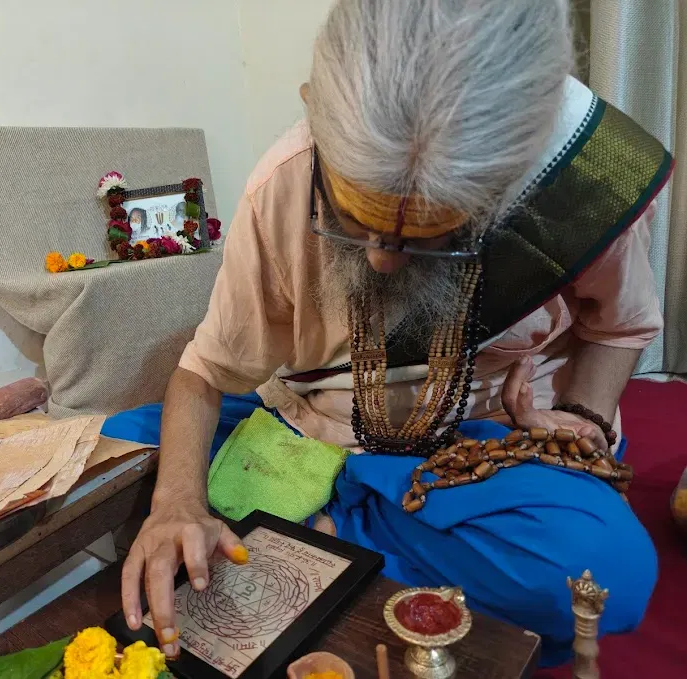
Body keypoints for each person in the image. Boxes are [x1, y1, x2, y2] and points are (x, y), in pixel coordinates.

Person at [101, 0, 671, 666]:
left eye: (432, 235)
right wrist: (175, 502)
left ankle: (313, 529)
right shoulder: (284, 181)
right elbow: (204, 369)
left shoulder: (574, 182)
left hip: (487, 439)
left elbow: (617, 325)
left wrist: (581, 417)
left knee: (609, 577)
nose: (380, 259)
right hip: (314, 423)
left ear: (511, 181)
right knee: (110, 450)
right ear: (313, 107)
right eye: (353, 215)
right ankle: (333, 527)